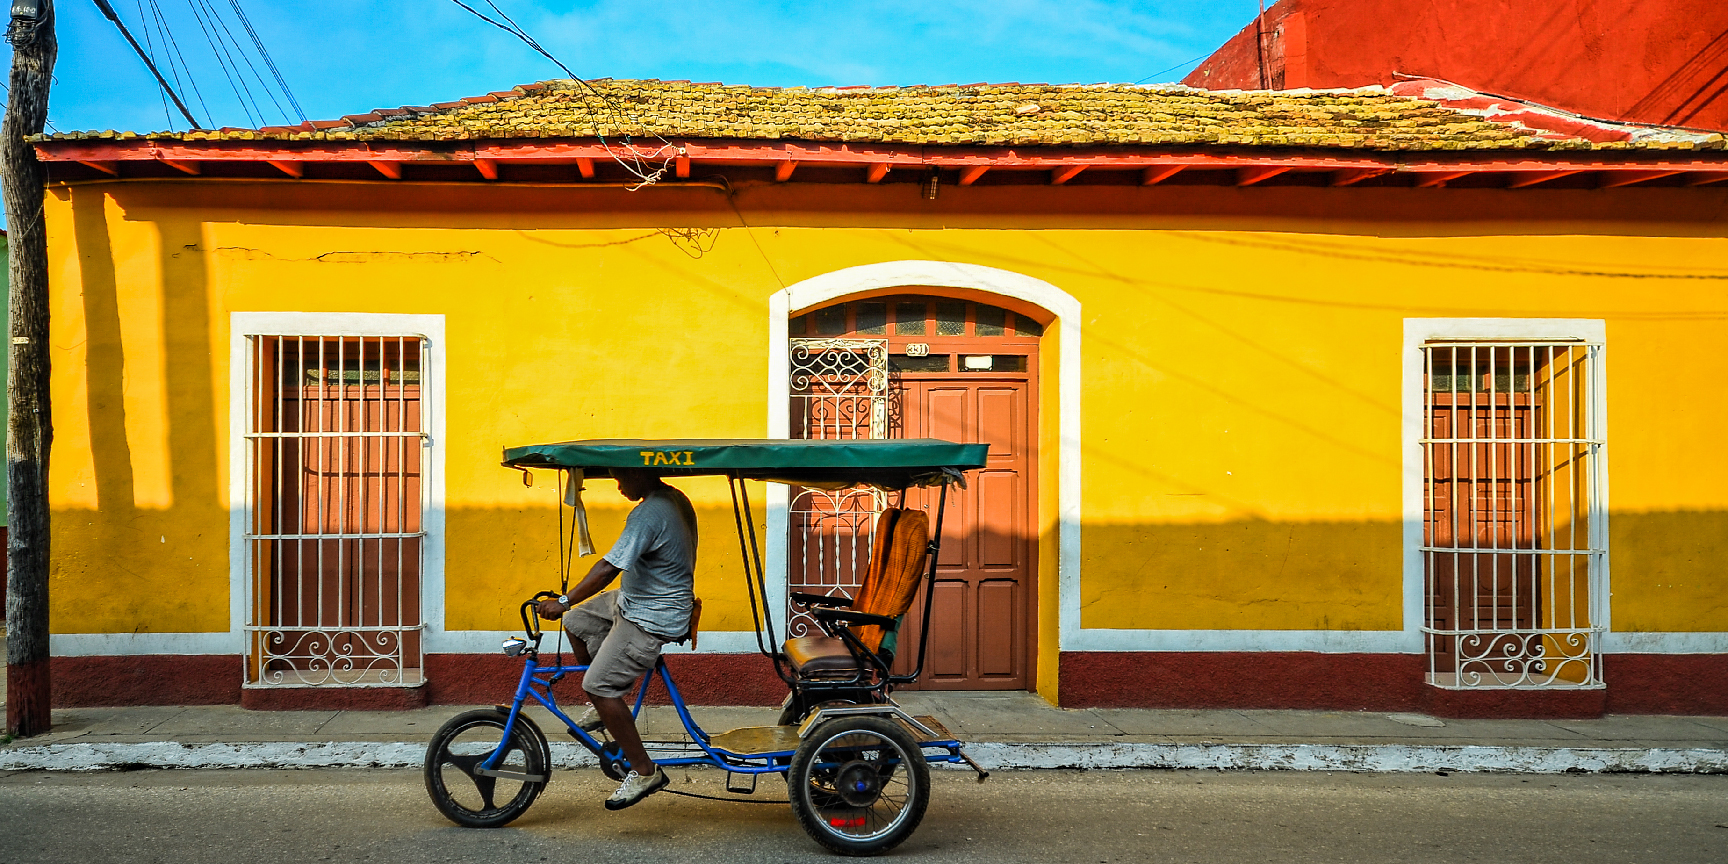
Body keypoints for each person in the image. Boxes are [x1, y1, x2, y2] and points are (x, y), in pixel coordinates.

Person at [536, 467, 697, 810]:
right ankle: (606, 705)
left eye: (621, 478)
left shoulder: (650, 512)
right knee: (577, 621)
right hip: (633, 600)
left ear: (641, 475)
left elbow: (609, 568)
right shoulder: (670, 498)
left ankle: (643, 770)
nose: (619, 486)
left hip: (652, 614)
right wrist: (570, 609)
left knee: (597, 684)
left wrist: (563, 601)